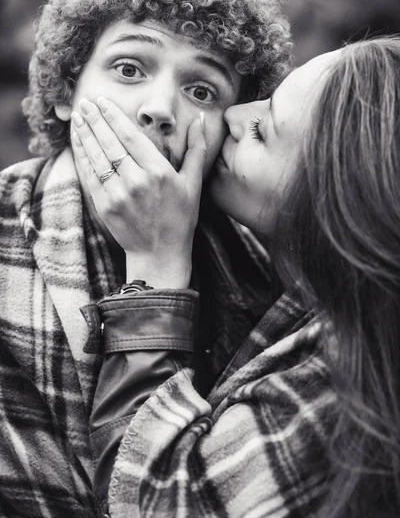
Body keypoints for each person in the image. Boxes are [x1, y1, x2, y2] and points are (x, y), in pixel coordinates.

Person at [0, 0, 292, 517]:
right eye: (130, 67)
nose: (160, 108)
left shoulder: (271, 269)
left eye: (201, 89)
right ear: (66, 91)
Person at [84, 37, 400, 517]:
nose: (232, 116)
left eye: (263, 130)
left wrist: (154, 264)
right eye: (129, 69)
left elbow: (153, 501)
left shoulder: (347, 387)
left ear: (338, 198)